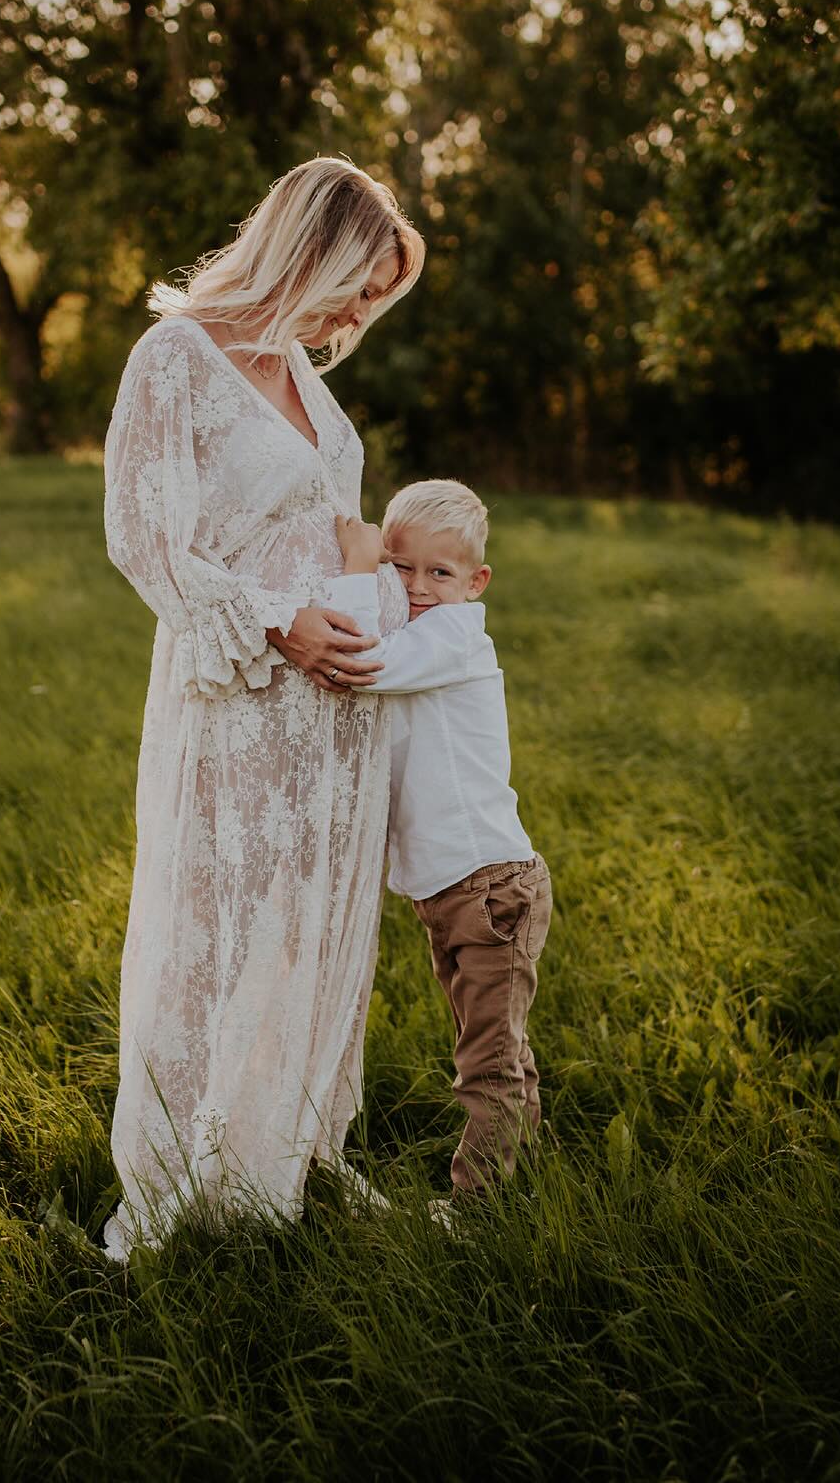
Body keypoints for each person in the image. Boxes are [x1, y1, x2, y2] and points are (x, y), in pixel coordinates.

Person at [100, 157, 424, 1253]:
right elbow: (147, 540)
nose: (359, 312)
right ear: (309, 245)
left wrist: (400, 597)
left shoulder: (300, 371)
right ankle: (192, 1181)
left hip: (333, 711)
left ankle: (289, 1157)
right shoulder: (179, 357)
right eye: (359, 282)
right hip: (238, 692)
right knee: (221, 920)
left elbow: (334, 526)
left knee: (312, 927)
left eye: (376, 297)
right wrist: (283, 620)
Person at [323, 481, 553, 1202]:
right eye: (400, 567)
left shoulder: (454, 636)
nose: (417, 588)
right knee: (498, 1046)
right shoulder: (423, 632)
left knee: (485, 1063)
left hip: (489, 886)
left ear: (475, 582)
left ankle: (479, 1208)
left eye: (439, 573)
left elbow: (361, 666)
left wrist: (358, 573)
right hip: (451, 890)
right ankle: (524, 1175)